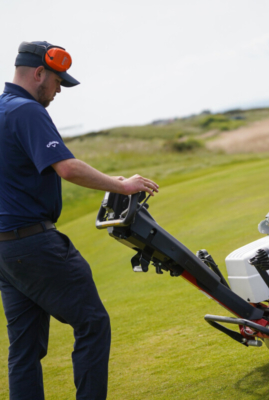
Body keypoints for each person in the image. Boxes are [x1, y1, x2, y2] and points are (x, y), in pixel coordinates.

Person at [0, 41, 159, 400]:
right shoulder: (27, 110)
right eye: (57, 82)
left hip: (5, 251)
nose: (58, 91)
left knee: (24, 349)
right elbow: (68, 168)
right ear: (39, 73)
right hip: (34, 244)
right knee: (92, 323)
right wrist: (122, 185)